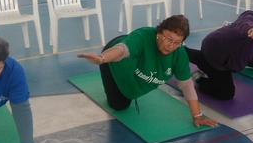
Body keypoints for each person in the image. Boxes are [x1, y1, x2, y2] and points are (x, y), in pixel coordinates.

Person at [77, 15, 217, 128]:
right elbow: (122, 50)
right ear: (159, 33)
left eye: (177, 42)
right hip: (114, 59)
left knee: (134, 88)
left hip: (133, 52)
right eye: (168, 39)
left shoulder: (178, 54)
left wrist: (197, 115)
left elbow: (186, 85)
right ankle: (110, 76)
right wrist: (101, 59)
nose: (171, 45)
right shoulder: (145, 36)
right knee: (119, 105)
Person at [185, 0, 253, 106]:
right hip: (217, 51)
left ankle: (200, 59)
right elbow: (245, 23)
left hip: (237, 55)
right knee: (226, 94)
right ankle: (197, 74)